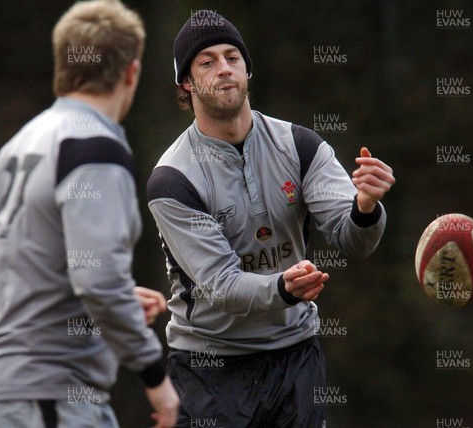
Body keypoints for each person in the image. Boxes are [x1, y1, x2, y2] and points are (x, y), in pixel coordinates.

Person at [146, 10, 395, 427]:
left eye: (232, 57)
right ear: (186, 84)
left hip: (295, 356)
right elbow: (222, 287)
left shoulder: (299, 146)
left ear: (247, 68)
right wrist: (282, 287)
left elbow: (354, 241)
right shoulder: (172, 179)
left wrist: (366, 205)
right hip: (208, 367)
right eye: (207, 61)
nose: (224, 69)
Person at [0, 1, 179, 427]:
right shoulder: (95, 146)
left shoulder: (16, 147)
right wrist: (158, 381)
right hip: (51, 395)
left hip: (0, 395)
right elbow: (97, 279)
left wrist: (101, 301)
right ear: (131, 72)